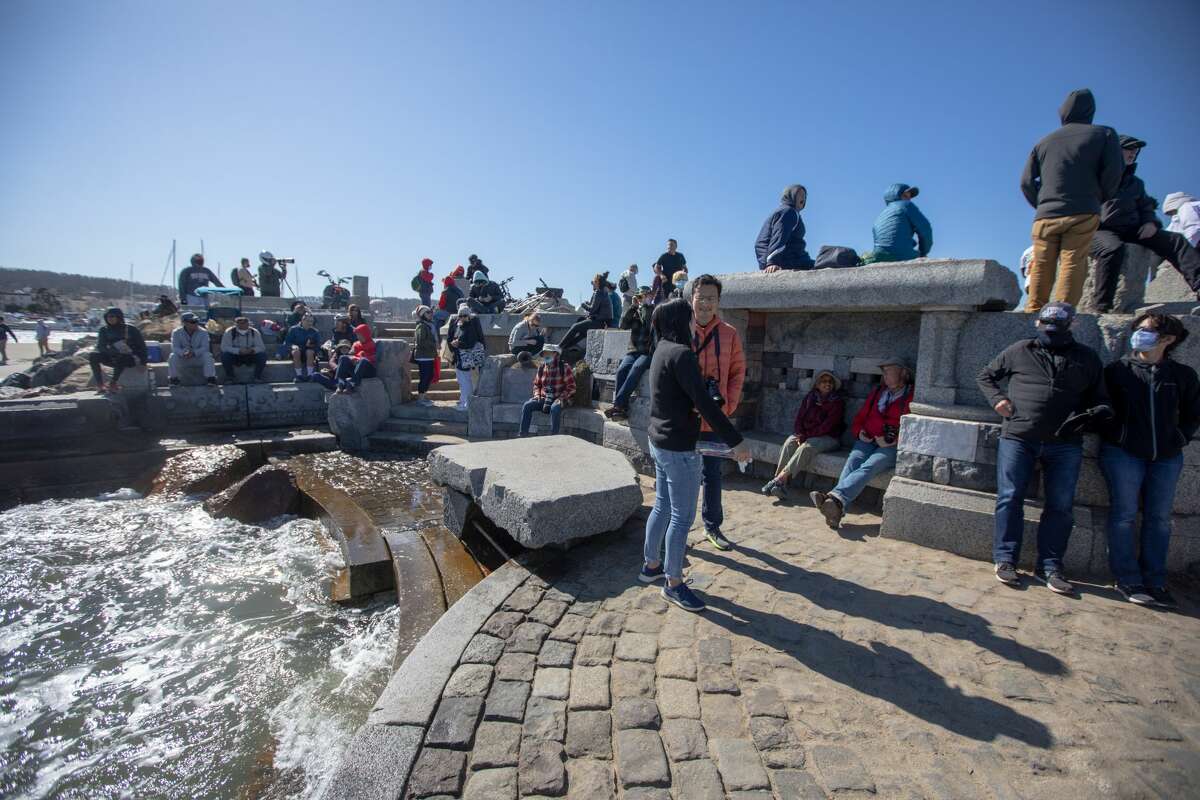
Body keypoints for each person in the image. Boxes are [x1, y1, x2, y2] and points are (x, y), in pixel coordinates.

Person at [976, 302, 1111, 594]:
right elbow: (985, 376)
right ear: (1038, 324)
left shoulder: (1087, 358)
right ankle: (1005, 558)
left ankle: (1050, 565)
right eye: (1046, 327)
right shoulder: (1020, 350)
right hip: (1019, 436)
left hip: (1065, 442)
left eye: (1057, 329)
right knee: (1010, 497)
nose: (1051, 333)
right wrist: (997, 399)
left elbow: (1100, 397)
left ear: (1072, 325)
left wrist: (1095, 414)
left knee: (1060, 505)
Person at [638, 299, 750, 612]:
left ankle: (651, 565)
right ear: (680, 321)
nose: (694, 324)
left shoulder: (660, 349)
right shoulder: (683, 354)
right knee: (682, 516)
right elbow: (705, 403)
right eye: (690, 318)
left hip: (658, 441)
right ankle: (673, 583)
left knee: (661, 505)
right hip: (678, 448)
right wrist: (735, 441)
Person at [1099, 312, 1198, 609]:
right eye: (1138, 329)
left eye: (1146, 330)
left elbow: (1194, 412)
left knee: (1159, 519)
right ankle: (1127, 578)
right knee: (1124, 515)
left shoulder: (1182, 375)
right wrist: (1118, 434)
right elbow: (1102, 407)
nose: (1138, 334)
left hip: (1167, 456)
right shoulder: (1118, 371)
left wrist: (1180, 438)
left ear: (1167, 339)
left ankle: (1155, 579)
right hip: (1124, 453)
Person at [1020, 88, 1123, 313]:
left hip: (1046, 214)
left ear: (1063, 112)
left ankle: (1033, 310)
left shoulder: (1043, 142)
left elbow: (1026, 181)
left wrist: (1042, 203)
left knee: (1042, 262)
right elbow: (1113, 172)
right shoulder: (1104, 134)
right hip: (1083, 209)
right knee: (1073, 261)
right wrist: (1098, 197)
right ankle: (1061, 313)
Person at [1087, 136, 1200, 312]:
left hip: (1132, 228)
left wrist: (1150, 223)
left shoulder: (1136, 183)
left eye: (1135, 150)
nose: (1133, 152)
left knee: (1176, 240)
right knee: (1112, 249)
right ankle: (1102, 306)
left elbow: (1146, 207)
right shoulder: (1094, 175)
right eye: (1128, 148)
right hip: (1099, 228)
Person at [813, 356, 912, 529]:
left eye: (889, 372)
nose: (885, 376)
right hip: (868, 438)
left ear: (902, 373)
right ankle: (836, 505)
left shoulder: (911, 396)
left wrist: (891, 439)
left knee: (871, 464)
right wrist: (860, 431)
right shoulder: (878, 392)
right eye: (884, 372)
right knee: (853, 461)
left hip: (891, 445)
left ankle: (833, 499)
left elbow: (912, 425)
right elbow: (862, 416)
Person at [688, 274, 746, 551]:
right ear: (692, 298)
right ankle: (677, 528)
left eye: (712, 298)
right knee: (683, 475)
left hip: (716, 419)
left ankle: (712, 525)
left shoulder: (729, 333)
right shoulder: (681, 330)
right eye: (702, 297)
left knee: (713, 473)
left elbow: (737, 372)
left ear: (719, 301)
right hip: (684, 419)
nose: (706, 303)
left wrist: (729, 405)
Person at [761, 370, 846, 498]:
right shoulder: (810, 398)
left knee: (806, 447)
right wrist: (800, 434)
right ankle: (780, 485)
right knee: (790, 442)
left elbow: (827, 426)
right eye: (824, 381)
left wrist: (806, 437)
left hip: (829, 437)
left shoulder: (837, 402)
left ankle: (777, 481)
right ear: (817, 384)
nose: (827, 384)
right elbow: (799, 418)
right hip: (807, 434)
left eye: (830, 382)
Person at [606, 286, 654, 420]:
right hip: (633, 350)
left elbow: (648, 322)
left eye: (646, 296)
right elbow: (623, 325)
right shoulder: (634, 311)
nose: (643, 299)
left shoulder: (655, 311)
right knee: (622, 370)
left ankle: (618, 405)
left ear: (650, 296)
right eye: (640, 296)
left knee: (637, 368)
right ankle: (622, 409)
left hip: (648, 351)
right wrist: (632, 307)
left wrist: (645, 307)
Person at [867, 183, 933, 262]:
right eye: (905, 196)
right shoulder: (906, 205)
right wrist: (923, 252)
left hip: (878, 255)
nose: (908, 199)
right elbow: (925, 229)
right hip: (901, 254)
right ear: (895, 196)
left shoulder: (880, 216)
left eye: (909, 197)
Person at [519, 344, 575, 436]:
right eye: (544, 353)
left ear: (556, 354)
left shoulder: (564, 367)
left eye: (549, 353)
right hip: (545, 398)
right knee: (527, 405)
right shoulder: (541, 367)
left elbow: (571, 387)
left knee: (555, 408)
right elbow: (537, 385)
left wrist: (560, 398)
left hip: (560, 398)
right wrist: (537, 395)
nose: (546, 355)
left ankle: (553, 436)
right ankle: (523, 434)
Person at [756, 184, 815, 271]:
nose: (803, 198)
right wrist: (772, 262)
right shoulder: (788, 212)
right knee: (834, 260)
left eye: (805, 196)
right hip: (789, 260)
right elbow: (780, 235)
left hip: (793, 258)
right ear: (791, 195)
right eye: (800, 194)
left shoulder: (786, 211)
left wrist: (765, 262)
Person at [89, 307, 147, 393]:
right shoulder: (104, 330)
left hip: (129, 358)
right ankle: (100, 385)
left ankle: (113, 383)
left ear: (118, 317)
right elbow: (101, 346)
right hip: (112, 356)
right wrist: (111, 352)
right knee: (93, 356)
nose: (110, 319)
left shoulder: (131, 329)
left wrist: (143, 362)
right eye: (108, 317)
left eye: (112, 316)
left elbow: (142, 346)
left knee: (122, 356)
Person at [558, 273, 613, 352]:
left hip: (600, 322)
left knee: (575, 327)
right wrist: (588, 303)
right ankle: (565, 347)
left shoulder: (598, 292)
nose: (593, 283)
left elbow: (592, 310)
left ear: (597, 282)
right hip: (605, 322)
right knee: (582, 330)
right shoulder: (603, 292)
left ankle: (560, 346)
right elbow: (597, 307)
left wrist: (583, 305)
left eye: (594, 282)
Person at [447, 306, 486, 411]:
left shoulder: (470, 327)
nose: (462, 318)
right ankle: (463, 401)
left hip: (466, 358)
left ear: (469, 316)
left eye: (465, 315)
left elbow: (470, 343)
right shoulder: (459, 325)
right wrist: (454, 344)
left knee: (465, 381)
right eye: (460, 315)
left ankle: (467, 404)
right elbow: (452, 337)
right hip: (460, 357)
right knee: (462, 380)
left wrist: (457, 344)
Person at [167, 311, 216, 387]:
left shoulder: (203, 332)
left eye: (196, 321)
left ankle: (211, 378)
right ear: (185, 323)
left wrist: (194, 353)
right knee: (173, 356)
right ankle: (174, 379)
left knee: (207, 355)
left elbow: (205, 347)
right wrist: (184, 353)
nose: (196, 323)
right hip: (183, 358)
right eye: (192, 322)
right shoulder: (176, 332)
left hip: (197, 358)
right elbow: (175, 347)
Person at [220, 316, 268, 383]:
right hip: (236, 356)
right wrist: (238, 351)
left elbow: (261, 347)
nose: (243, 325)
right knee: (225, 356)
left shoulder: (254, 332)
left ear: (248, 324)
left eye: (245, 323)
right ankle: (230, 377)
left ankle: (257, 377)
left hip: (250, 355)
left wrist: (252, 350)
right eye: (240, 323)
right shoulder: (229, 332)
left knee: (262, 355)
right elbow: (224, 347)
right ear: (236, 324)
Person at [334, 323, 377, 393]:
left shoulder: (373, 345)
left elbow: (374, 358)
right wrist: (353, 358)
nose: (358, 337)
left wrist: (359, 358)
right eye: (357, 335)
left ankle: (352, 384)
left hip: (368, 370)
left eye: (360, 335)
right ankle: (340, 383)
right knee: (343, 358)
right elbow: (350, 355)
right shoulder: (356, 344)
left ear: (365, 334)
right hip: (356, 367)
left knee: (363, 360)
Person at [412, 305, 440, 406]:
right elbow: (420, 341)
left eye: (430, 312)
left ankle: (423, 396)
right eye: (428, 312)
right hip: (423, 356)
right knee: (425, 376)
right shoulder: (421, 326)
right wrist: (434, 344)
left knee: (429, 376)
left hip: (428, 355)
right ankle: (421, 398)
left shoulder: (429, 325)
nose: (431, 314)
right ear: (423, 314)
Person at [281, 313, 322, 381]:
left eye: (311, 321)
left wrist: (311, 346)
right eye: (308, 321)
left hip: (309, 353)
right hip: (296, 352)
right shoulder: (293, 329)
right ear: (302, 320)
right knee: (296, 352)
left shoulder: (315, 331)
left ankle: (310, 375)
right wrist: (293, 346)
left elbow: (318, 345)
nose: (310, 323)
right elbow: (287, 342)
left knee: (309, 352)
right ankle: (299, 375)